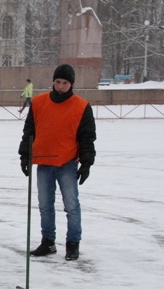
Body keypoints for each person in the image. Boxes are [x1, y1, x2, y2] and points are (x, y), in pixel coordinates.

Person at [18, 64, 96, 261]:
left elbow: (87, 138)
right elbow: (29, 132)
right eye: (58, 82)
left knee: (71, 205)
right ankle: (48, 242)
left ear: (71, 84)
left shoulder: (81, 106)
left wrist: (86, 164)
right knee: (45, 205)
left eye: (65, 83)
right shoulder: (38, 103)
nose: (61, 86)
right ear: (53, 81)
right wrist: (24, 156)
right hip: (43, 161)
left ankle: (72, 244)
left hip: (67, 163)